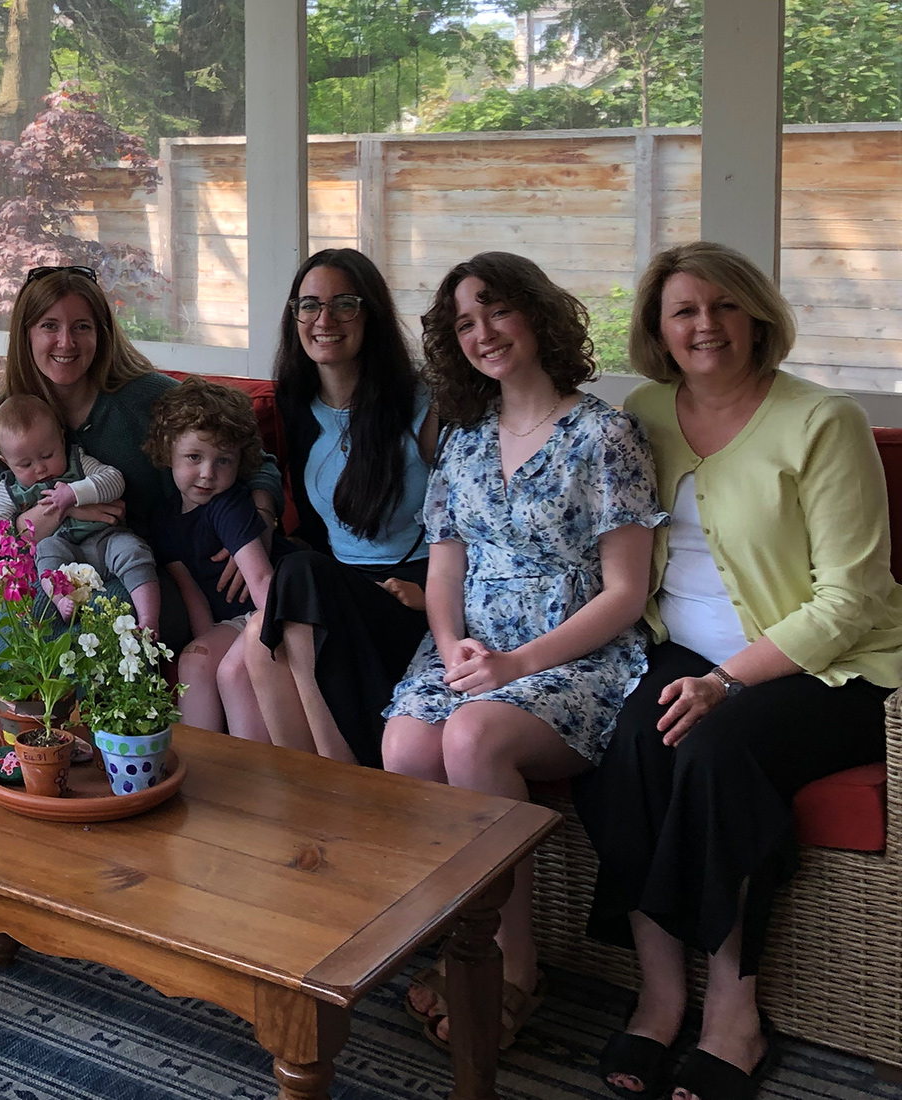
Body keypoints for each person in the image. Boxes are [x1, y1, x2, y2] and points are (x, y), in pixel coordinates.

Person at [575, 242, 902, 1100]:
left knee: (716, 752)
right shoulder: (644, 410)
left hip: (831, 668)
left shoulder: (822, 420)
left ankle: (734, 1012)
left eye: (724, 305)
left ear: (757, 316)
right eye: (684, 310)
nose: (706, 325)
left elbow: (855, 598)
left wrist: (728, 681)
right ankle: (660, 995)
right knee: (624, 742)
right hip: (681, 650)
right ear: (658, 329)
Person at [383, 253, 663, 1052]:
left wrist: (515, 665)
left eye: (497, 311)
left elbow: (625, 592)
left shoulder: (605, 434)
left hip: (575, 659)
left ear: (537, 314)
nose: (484, 333)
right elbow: (445, 567)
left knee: (472, 737)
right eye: (465, 323)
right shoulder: (464, 442)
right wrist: (451, 649)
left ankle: (513, 964)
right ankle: (460, 937)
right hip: (471, 652)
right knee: (405, 746)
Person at [0, 265, 283, 648]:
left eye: (82, 326)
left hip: (149, 569)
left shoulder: (149, 398)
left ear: (102, 334)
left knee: (106, 620)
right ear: (25, 334)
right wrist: (64, 509)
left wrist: (260, 523)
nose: (66, 342)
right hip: (43, 571)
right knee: (24, 627)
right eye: (49, 326)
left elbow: (255, 458)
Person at [242, 249, 438, 766]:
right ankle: (309, 791)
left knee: (302, 578)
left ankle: (343, 780)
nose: (324, 320)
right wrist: (262, 514)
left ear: (371, 314)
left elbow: (468, 518)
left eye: (344, 304)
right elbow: (255, 467)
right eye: (309, 305)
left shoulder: (421, 405)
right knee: (259, 633)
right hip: (340, 588)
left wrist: (437, 595)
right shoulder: (294, 406)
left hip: (409, 597)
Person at [143, 378, 280, 739]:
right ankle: (201, 761)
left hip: (265, 613)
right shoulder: (163, 519)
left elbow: (262, 579)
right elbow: (190, 590)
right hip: (231, 621)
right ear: (168, 451)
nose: (208, 473)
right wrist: (207, 642)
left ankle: (244, 764)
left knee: (229, 672)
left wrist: (273, 643)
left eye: (223, 460)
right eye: (194, 457)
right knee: (196, 660)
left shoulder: (228, 506)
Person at [0, 394, 159, 627]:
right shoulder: (10, 490)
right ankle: (61, 600)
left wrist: (74, 494)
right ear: (6, 462)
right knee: (46, 554)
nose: (40, 468)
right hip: (61, 548)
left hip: (105, 540)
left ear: (61, 441)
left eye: (47, 455)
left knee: (133, 551)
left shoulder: (78, 462)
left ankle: (148, 620)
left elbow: (114, 480)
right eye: (25, 464)